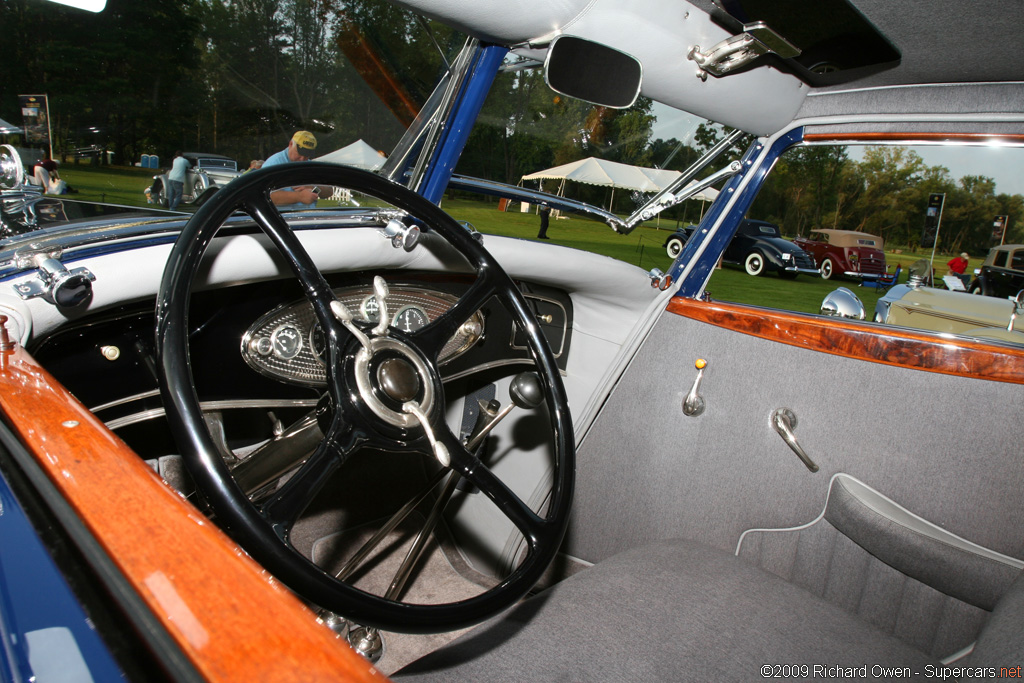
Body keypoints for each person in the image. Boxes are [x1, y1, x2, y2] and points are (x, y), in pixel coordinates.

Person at [262, 131, 323, 209]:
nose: (302, 159)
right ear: (290, 144)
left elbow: (329, 191)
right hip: (283, 218)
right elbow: (265, 195)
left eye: (307, 155)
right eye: (300, 153)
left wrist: (313, 186)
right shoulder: (274, 163)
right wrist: (300, 197)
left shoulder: (310, 165)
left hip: (307, 218)